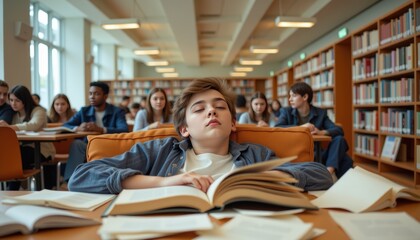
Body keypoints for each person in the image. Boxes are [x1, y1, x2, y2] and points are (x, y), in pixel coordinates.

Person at [68, 77, 333, 194]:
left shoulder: (256, 155)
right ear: (184, 128)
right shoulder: (159, 151)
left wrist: (267, 177)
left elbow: (320, 175)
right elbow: (81, 176)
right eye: (200, 109)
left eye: (220, 107)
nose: (211, 112)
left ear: (232, 125)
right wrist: (164, 183)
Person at [275, 82, 353, 180]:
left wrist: (321, 132)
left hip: (318, 152)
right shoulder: (286, 112)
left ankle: (328, 172)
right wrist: (302, 127)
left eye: (294, 96)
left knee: (339, 139)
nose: (290, 99)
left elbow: (338, 130)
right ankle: (339, 178)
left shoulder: (320, 113)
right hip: (296, 152)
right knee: (345, 159)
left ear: (305, 97)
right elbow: (278, 128)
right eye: (289, 96)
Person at [62, 81, 128, 184]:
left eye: (96, 94)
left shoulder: (117, 111)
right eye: (90, 93)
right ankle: (70, 181)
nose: (92, 97)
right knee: (76, 144)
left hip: (109, 145)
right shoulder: (84, 111)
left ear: (105, 96)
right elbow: (65, 125)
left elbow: (124, 129)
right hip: (89, 146)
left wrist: (102, 129)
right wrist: (78, 128)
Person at [0, 85, 55, 190]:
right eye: (11, 100)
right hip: (23, 148)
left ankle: (12, 189)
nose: (13, 103)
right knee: (10, 154)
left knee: (16, 155)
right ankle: (12, 189)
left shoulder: (38, 111)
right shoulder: (14, 114)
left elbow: (33, 125)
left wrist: (10, 127)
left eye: (17, 100)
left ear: (25, 100)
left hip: (42, 150)